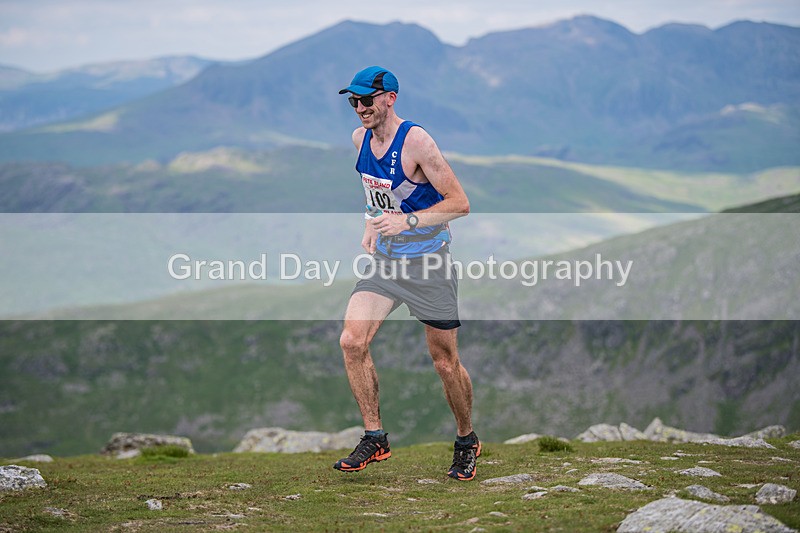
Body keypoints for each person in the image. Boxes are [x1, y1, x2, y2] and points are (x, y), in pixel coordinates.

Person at [333, 66, 480, 481]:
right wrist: (371, 225)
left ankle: (466, 440)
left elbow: (460, 203)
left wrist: (408, 224)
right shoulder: (359, 139)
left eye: (366, 100)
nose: (359, 108)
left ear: (389, 98)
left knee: (445, 363)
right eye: (353, 101)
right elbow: (375, 193)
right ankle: (375, 437)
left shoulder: (416, 141)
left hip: (429, 261)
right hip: (386, 262)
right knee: (352, 340)